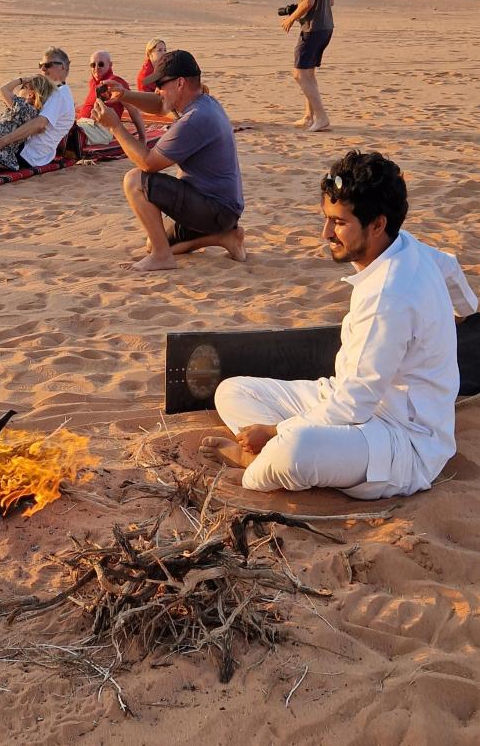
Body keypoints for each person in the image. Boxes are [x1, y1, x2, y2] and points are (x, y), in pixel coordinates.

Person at [201, 150, 478, 499]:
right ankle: (271, 448)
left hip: (401, 440)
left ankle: (255, 461)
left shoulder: (388, 298)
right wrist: (464, 310)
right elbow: (450, 267)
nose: (325, 232)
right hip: (345, 397)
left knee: (294, 451)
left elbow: (354, 404)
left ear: (378, 224)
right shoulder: (407, 245)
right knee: (234, 391)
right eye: (327, 218)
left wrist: (274, 431)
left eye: (339, 223)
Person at [92, 49, 246, 273]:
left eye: (162, 83)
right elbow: (159, 104)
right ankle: (225, 237)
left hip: (214, 207)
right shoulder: (203, 102)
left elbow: (147, 163)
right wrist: (124, 95)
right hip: (221, 208)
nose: (157, 89)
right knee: (152, 241)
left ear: (181, 83)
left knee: (135, 180)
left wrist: (115, 126)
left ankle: (162, 257)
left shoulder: (196, 119)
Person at [280, 0, 334, 133]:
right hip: (326, 26)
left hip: (313, 28)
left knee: (299, 74)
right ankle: (308, 116)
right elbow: (331, 0)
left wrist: (291, 18)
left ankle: (321, 117)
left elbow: (309, 2)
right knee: (308, 72)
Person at [76, 51, 146, 147]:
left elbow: (132, 109)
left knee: (66, 134)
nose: (96, 68)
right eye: (93, 65)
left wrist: (142, 138)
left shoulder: (115, 83)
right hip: (82, 124)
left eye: (101, 64)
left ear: (110, 65)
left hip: (99, 128)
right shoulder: (93, 83)